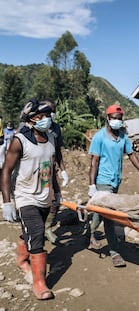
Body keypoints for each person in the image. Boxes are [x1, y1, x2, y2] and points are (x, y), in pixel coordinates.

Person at [1, 98, 55, 300]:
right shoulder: (19, 140)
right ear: (31, 119)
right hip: (25, 197)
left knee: (30, 233)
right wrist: (7, 202)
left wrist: (56, 193)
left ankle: (21, 259)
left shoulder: (50, 138)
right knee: (38, 234)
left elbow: (51, 168)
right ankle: (39, 283)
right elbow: (6, 170)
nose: (45, 120)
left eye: (47, 116)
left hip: (45, 196)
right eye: (41, 117)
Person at [87, 104, 139, 267]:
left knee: (99, 212)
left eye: (120, 119)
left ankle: (90, 233)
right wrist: (92, 185)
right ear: (107, 118)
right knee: (109, 216)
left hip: (116, 181)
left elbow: (131, 155)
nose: (117, 121)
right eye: (114, 118)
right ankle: (114, 252)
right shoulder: (99, 137)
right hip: (102, 181)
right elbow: (94, 162)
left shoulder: (123, 137)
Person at [41, 99, 69, 245]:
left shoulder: (56, 128)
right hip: (34, 172)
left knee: (55, 200)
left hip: (50, 170)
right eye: (49, 111)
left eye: (53, 111)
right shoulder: (27, 126)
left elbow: (58, 151)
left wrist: (63, 170)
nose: (52, 114)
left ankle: (47, 228)